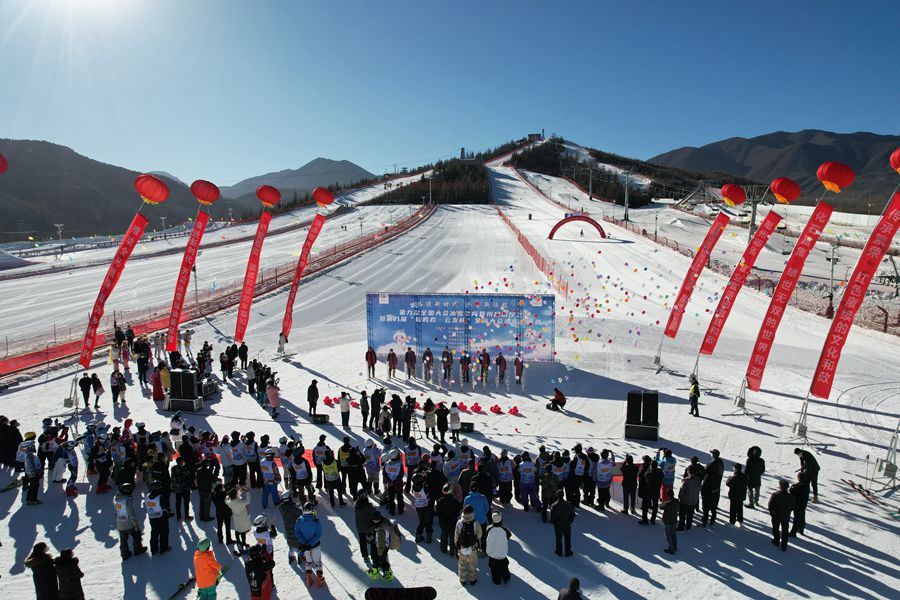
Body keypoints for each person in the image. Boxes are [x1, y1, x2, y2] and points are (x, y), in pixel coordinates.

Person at [295, 502, 325, 587]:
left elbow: (298, 533)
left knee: (308, 561)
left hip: (305, 547)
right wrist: (310, 543)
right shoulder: (316, 521)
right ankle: (319, 578)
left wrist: (305, 543)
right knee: (317, 561)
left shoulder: (299, 520)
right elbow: (318, 535)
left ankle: (308, 576)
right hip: (315, 545)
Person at [114, 483, 146, 560]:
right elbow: (131, 514)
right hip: (128, 523)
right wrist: (135, 524)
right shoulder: (127, 501)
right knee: (137, 535)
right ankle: (138, 549)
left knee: (123, 540)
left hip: (119, 523)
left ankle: (124, 554)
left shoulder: (116, 499)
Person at [455, 505, 483, 586]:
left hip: (462, 546)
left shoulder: (459, 522)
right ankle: (472, 579)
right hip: (473, 546)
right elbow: (479, 535)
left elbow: (456, 536)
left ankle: (462, 579)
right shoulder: (476, 523)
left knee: (462, 563)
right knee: (473, 564)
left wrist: (457, 545)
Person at [484, 511, 512, 585]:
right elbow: (509, 536)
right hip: (502, 553)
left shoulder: (489, 528)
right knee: (504, 566)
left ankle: (497, 580)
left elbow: (485, 537)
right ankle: (506, 577)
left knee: (494, 568)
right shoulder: (504, 529)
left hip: (492, 554)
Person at [436, 482, 462, 555]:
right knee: (452, 537)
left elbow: (437, 512)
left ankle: (443, 549)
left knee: (444, 536)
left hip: (443, 523)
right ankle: (452, 551)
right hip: (452, 522)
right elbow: (457, 513)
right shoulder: (455, 501)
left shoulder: (440, 501)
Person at [769, 480, 795, 551]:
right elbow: (793, 506)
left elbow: (770, 505)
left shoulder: (775, 495)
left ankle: (776, 540)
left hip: (776, 515)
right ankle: (784, 545)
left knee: (775, 528)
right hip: (786, 516)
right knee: (785, 530)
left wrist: (772, 512)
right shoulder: (791, 496)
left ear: (780, 486)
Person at [278, 490, 303, 564]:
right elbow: (301, 513)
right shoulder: (293, 508)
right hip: (296, 530)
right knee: (299, 547)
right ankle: (300, 557)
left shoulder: (281, 507)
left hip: (288, 531)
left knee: (291, 546)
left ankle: (291, 557)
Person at [147, 481, 171, 555]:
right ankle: (164, 548)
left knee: (154, 533)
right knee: (164, 532)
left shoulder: (148, 496)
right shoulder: (160, 497)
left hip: (152, 517)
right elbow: (166, 506)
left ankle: (153, 549)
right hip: (161, 517)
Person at [701, 449, 724, 527]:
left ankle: (704, 522)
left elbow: (705, 472)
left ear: (714, 455)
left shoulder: (711, 464)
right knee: (714, 506)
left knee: (706, 507)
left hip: (708, 487)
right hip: (716, 487)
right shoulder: (721, 463)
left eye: (712, 453)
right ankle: (712, 521)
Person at [226, 486, 253, 553]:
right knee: (243, 531)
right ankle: (244, 543)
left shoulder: (229, 502)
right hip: (243, 518)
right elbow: (248, 501)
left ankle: (238, 542)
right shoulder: (240, 502)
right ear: (235, 495)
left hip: (236, 518)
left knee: (237, 531)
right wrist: (247, 492)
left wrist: (240, 491)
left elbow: (229, 498)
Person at [550, 489, 574, 557]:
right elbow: (572, 514)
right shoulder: (568, 504)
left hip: (558, 524)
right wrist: (570, 521)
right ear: (563, 495)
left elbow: (552, 517)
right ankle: (568, 551)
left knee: (558, 538)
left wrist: (553, 522)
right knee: (567, 538)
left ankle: (559, 551)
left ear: (557, 496)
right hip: (567, 523)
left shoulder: (554, 505)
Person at [677, 467, 701, 531]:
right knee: (690, 514)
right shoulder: (698, 480)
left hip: (685, 501)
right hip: (694, 500)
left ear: (688, 472)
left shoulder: (686, 480)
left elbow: (682, 490)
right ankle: (688, 526)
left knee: (682, 514)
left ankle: (681, 527)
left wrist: (680, 496)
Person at [639, 458, 662, 525]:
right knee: (655, 506)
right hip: (656, 491)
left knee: (645, 506)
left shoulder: (648, 474)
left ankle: (645, 519)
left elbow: (643, 477)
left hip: (648, 492)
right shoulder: (660, 472)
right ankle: (653, 519)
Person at [789, 472, 810, 537]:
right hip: (803, 503)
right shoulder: (807, 484)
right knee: (802, 516)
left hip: (798, 504)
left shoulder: (798, 486)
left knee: (797, 518)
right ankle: (801, 529)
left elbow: (791, 491)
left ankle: (793, 532)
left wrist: (792, 487)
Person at [660, 488, 680, 554]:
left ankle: (671, 548)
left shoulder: (667, 503)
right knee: (674, 533)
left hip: (668, 520)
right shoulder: (677, 501)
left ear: (667, 495)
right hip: (674, 519)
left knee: (668, 535)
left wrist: (665, 501)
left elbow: (660, 507)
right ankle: (675, 546)